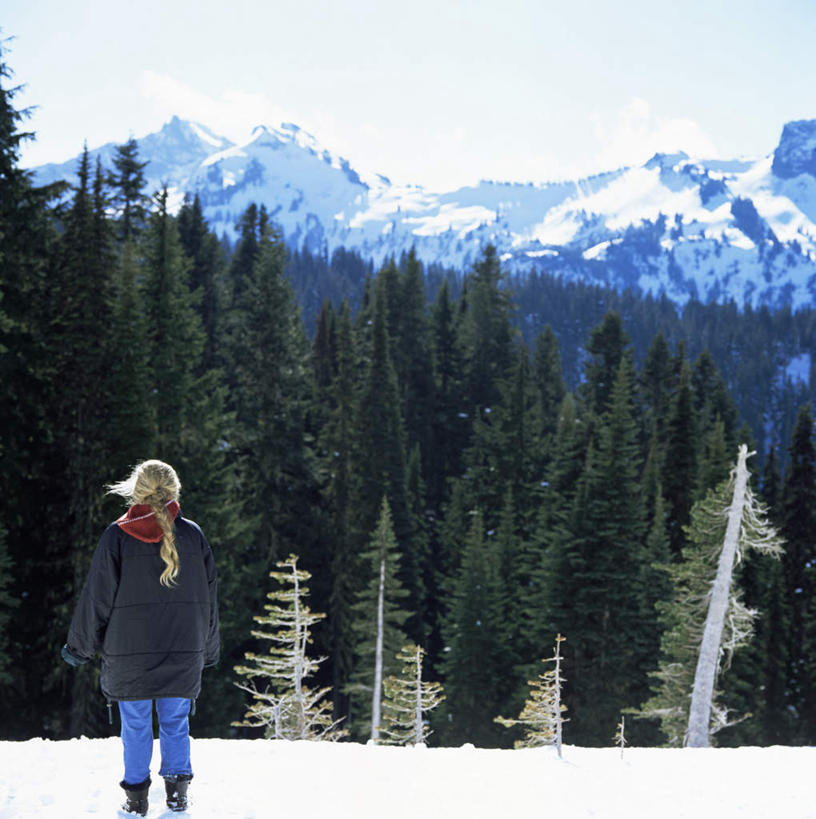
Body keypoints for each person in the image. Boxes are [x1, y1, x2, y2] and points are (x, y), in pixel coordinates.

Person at [61, 460, 220, 815]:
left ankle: (136, 802)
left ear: (137, 489)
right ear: (174, 490)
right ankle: (177, 798)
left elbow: (96, 597)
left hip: (128, 653)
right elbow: (209, 599)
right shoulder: (193, 535)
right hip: (184, 651)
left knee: (135, 726)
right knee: (176, 722)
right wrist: (208, 648)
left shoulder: (117, 535)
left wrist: (79, 648)